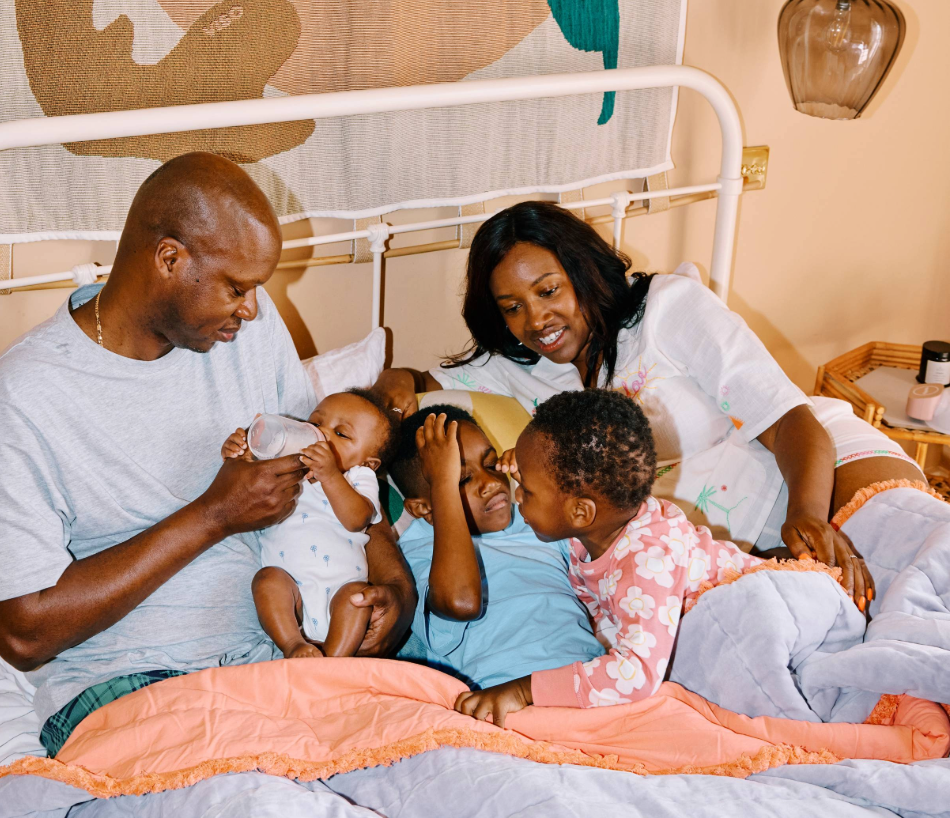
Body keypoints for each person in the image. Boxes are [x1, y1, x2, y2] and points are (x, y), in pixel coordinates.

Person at [0, 152, 414, 753]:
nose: (252, 309)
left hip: (286, 658)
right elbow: (21, 633)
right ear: (170, 259)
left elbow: (335, 479)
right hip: (131, 684)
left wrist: (396, 591)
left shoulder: (249, 331)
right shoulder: (21, 398)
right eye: (237, 288)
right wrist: (214, 515)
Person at [375, 201, 929, 609]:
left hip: (812, 475)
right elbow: (416, 382)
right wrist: (385, 390)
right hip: (722, 554)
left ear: (583, 270)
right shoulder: (517, 368)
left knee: (926, 564)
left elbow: (787, 420)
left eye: (548, 291)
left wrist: (805, 516)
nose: (535, 320)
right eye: (512, 307)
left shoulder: (667, 310)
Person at [457, 389, 798, 727]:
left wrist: (524, 690)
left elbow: (635, 676)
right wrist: (532, 469)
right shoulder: (594, 531)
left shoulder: (645, 561)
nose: (516, 495)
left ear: (580, 511)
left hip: (768, 619)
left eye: (526, 490)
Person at [386, 406, 605, 689]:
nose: (490, 483)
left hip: (587, 680)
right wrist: (443, 482)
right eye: (462, 479)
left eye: (490, 465)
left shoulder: (536, 520)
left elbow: (607, 551)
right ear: (424, 507)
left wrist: (543, 485)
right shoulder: (419, 547)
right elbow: (460, 602)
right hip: (499, 689)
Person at [222, 390, 399, 658]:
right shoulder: (288, 468)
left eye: (341, 434)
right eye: (316, 424)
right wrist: (241, 453)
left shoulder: (358, 477)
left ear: (368, 462)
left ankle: (334, 661)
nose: (322, 435)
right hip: (292, 599)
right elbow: (245, 481)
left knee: (358, 596)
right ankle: (293, 645)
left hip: (341, 596)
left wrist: (329, 475)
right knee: (267, 580)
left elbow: (357, 519)